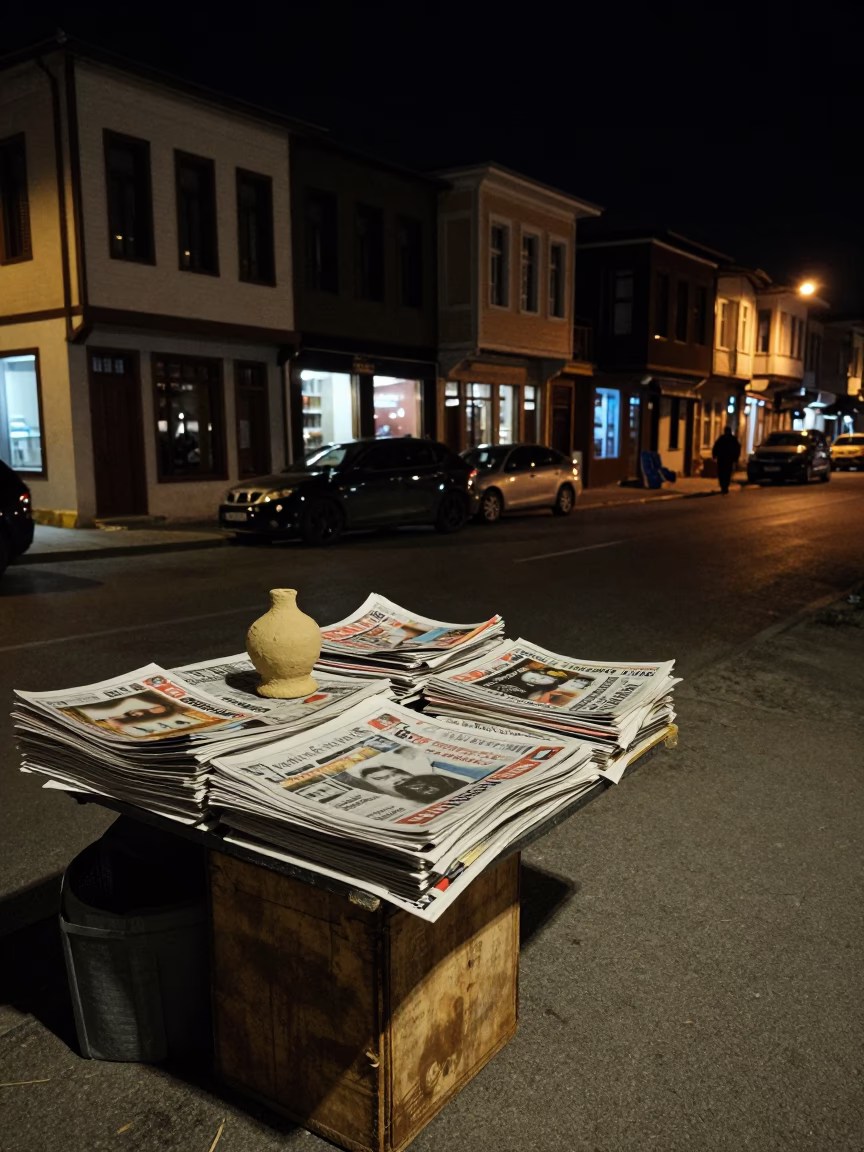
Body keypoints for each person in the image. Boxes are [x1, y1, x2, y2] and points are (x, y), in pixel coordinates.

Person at [712, 425, 741, 495]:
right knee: (721, 474)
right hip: (722, 459)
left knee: (727, 474)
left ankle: (725, 487)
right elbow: (716, 447)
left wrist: (735, 458)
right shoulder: (721, 439)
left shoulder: (733, 440)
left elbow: (737, 449)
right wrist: (714, 455)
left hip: (728, 460)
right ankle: (723, 486)